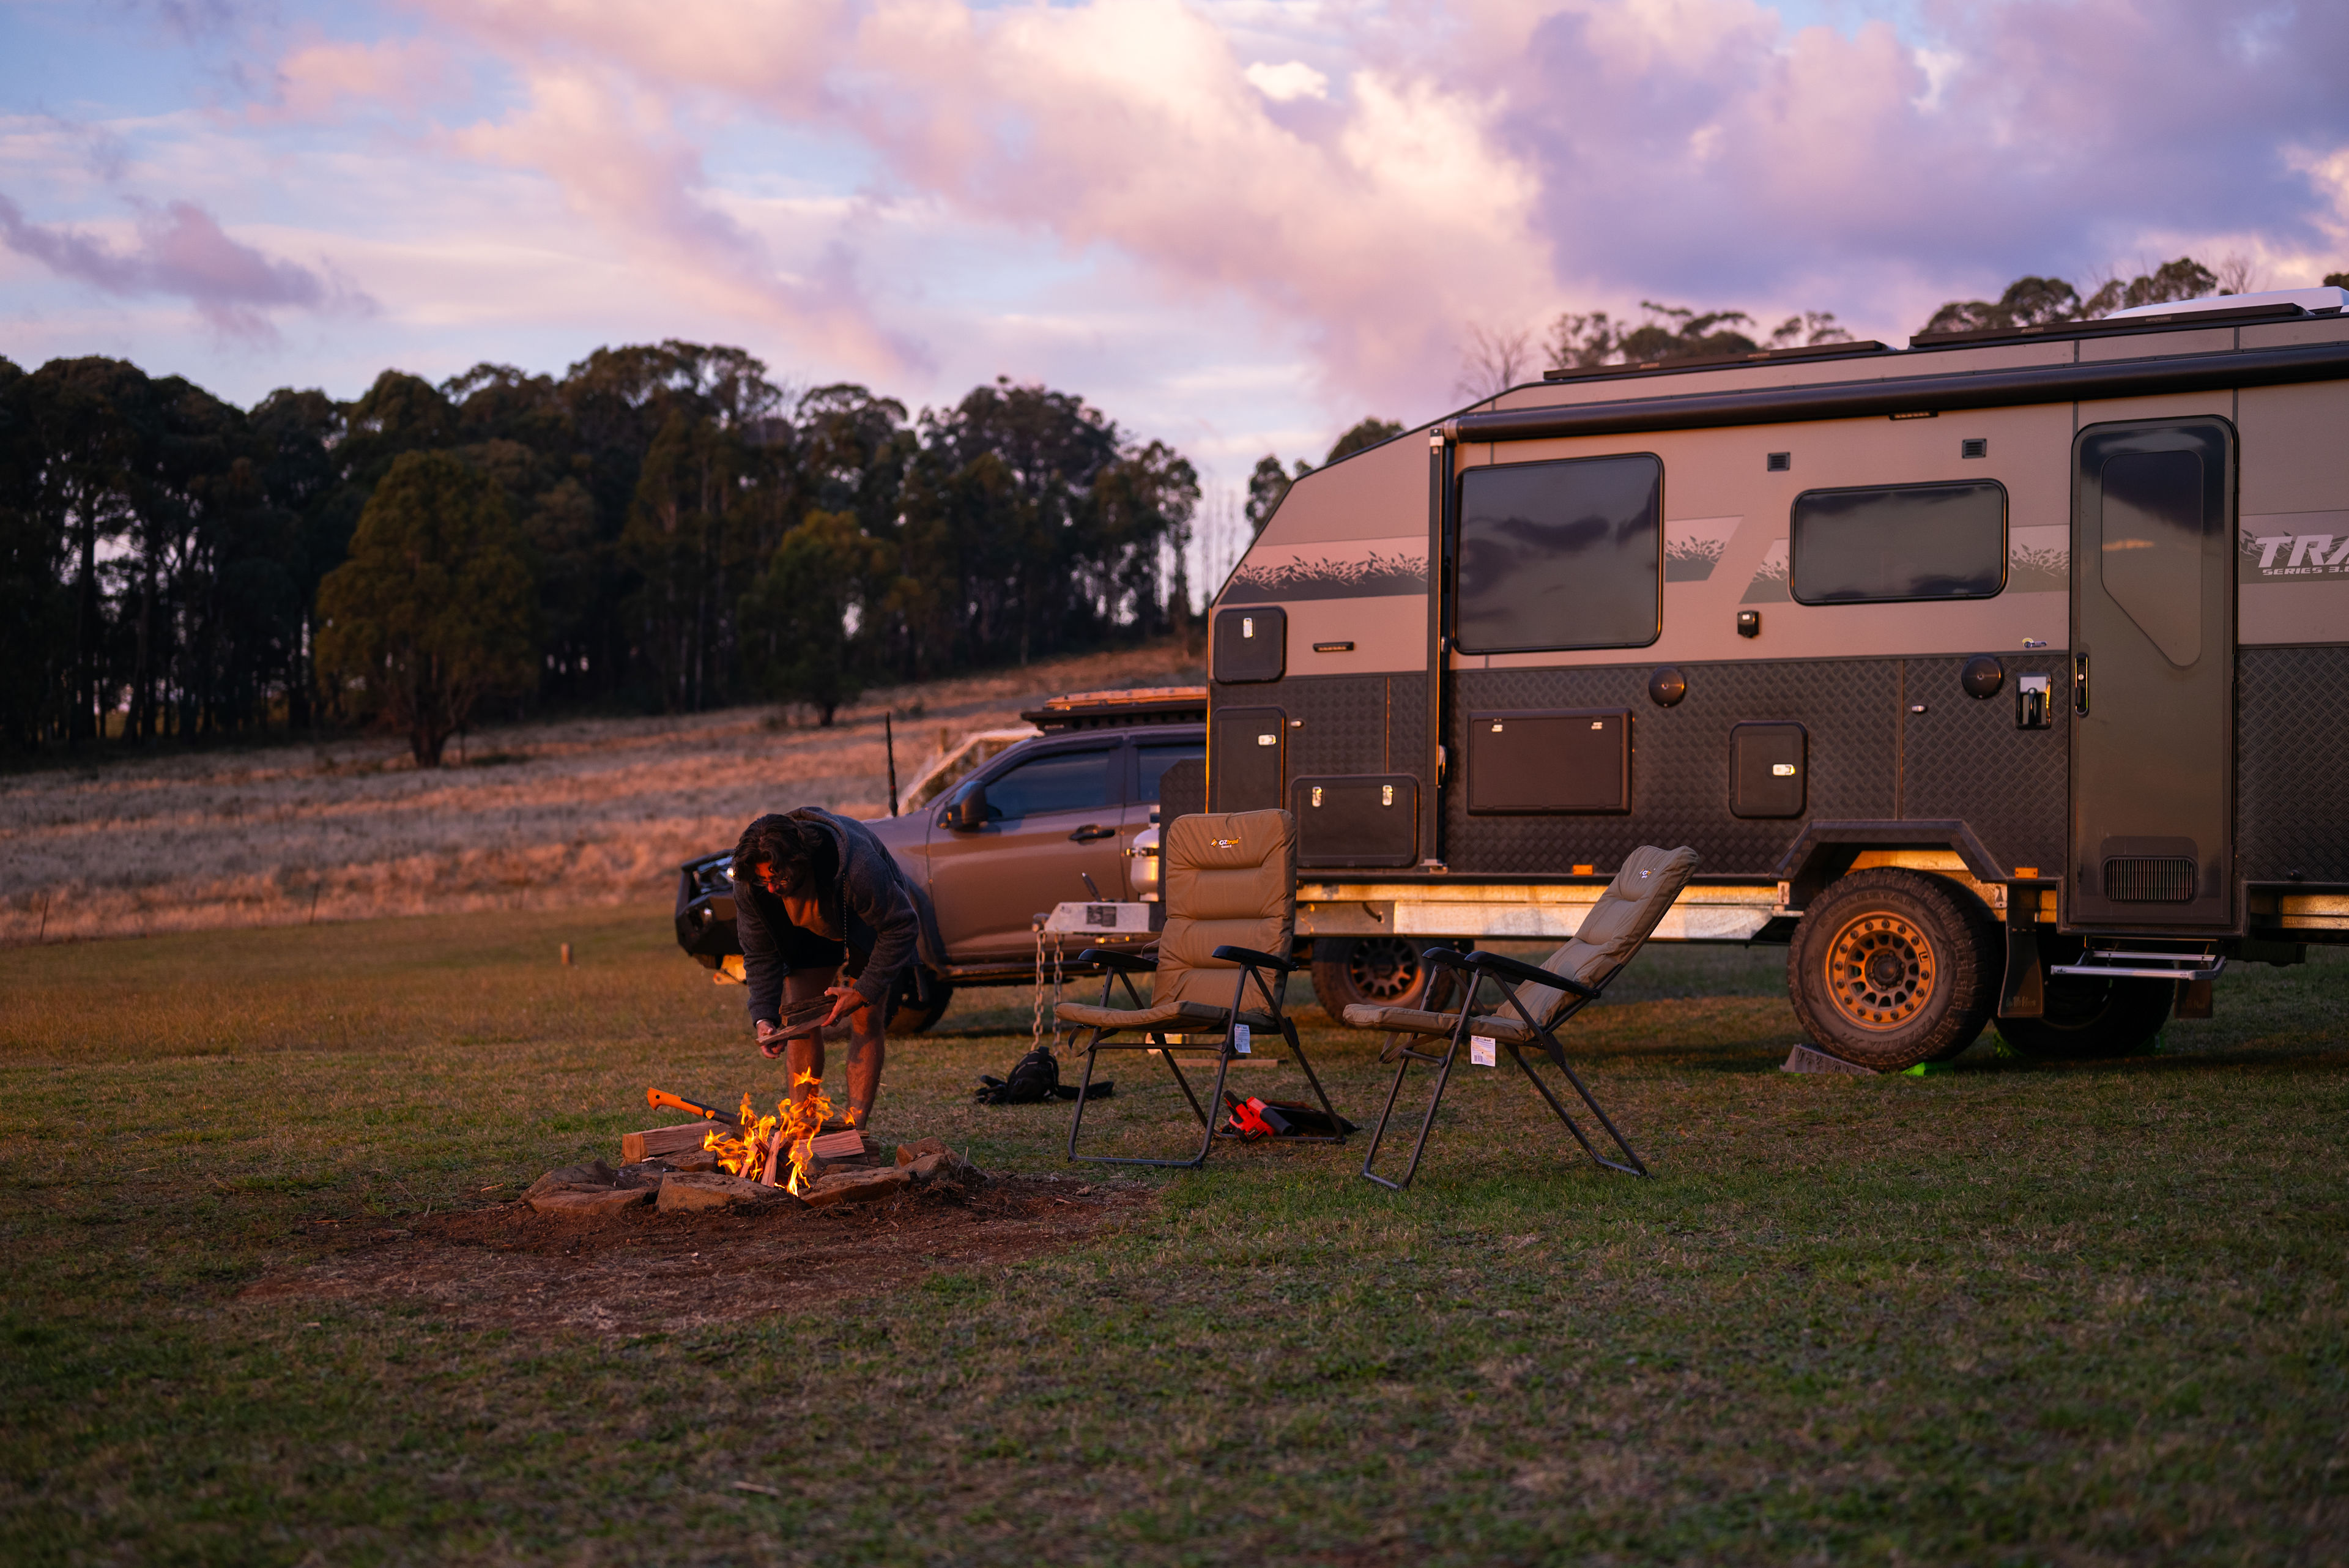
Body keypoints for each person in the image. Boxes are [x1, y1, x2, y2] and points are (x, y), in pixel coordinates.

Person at [730, 809, 926, 1131]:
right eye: (764, 880)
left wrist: (863, 991)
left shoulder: (858, 866)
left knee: (866, 1017)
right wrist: (764, 1016)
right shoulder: (752, 884)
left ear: (799, 861)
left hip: (862, 918)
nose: (770, 888)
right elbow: (760, 953)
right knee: (800, 1020)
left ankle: (855, 1130)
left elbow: (902, 926)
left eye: (778, 878)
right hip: (806, 924)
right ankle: (803, 1129)